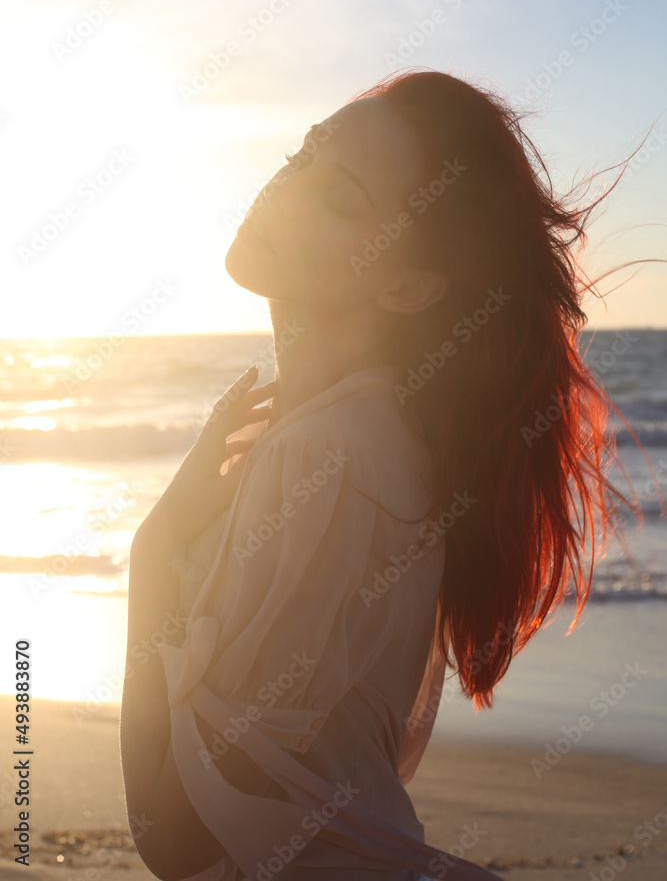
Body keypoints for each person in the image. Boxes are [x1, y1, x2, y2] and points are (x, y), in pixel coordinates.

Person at [120, 68, 647, 881]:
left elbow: (178, 838)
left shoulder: (332, 456)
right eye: (302, 156)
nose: (286, 190)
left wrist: (154, 553)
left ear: (405, 284)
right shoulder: (358, 435)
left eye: (338, 198)